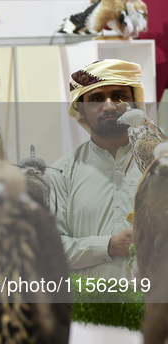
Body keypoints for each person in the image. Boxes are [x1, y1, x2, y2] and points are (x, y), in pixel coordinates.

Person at [49, 59, 144, 279]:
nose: (110, 105)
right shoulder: (62, 173)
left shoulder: (160, 163)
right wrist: (109, 246)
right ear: (80, 108)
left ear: (135, 102)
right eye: (97, 98)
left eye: (119, 95)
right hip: (90, 310)